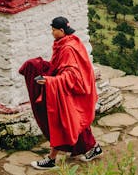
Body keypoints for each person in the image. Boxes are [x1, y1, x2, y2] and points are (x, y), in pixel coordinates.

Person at [19, 16, 102, 170]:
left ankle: (51, 159)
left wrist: (50, 81)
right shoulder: (68, 42)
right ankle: (94, 148)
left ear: (61, 30)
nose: (52, 32)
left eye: (54, 30)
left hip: (72, 91)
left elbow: (72, 75)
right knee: (76, 122)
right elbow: (60, 67)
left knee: (61, 122)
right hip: (69, 90)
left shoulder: (68, 49)